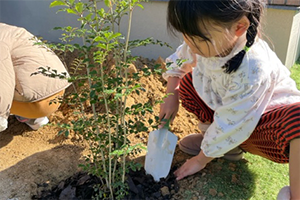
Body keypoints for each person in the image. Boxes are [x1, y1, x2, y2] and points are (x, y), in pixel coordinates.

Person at [158, 0, 300, 199]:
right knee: (188, 82)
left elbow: (234, 121)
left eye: (197, 39)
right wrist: (171, 95)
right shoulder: (205, 41)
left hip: (263, 128)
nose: (189, 44)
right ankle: (224, 146)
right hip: (230, 113)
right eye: (186, 36)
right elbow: (181, 59)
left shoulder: (253, 66)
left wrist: (200, 159)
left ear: (239, 27)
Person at [0, 23, 70, 131]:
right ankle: (33, 119)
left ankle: (29, 114)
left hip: (36, 103)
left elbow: (3, 79)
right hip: (57, 90)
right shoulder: (6, 30)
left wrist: (1, 116)